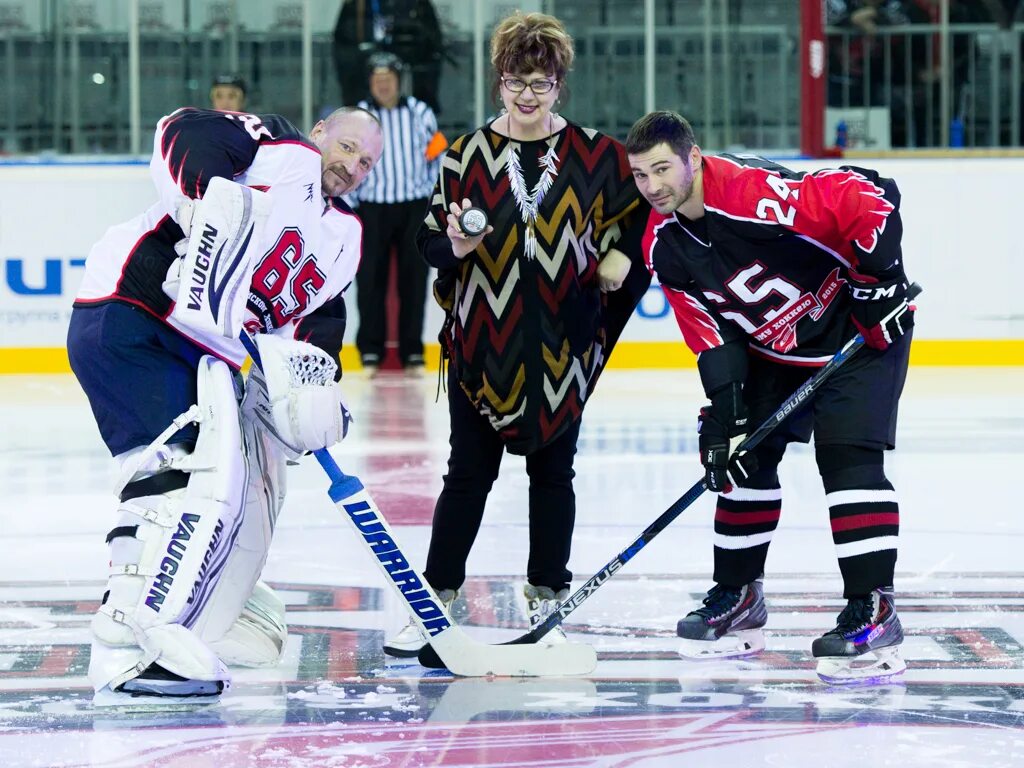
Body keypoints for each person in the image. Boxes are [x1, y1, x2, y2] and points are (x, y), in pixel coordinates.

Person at [67, 106, 383, 705]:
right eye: (346, 146)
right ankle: (127, 624)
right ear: (320, 134)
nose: (352, 165)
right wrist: (200, 214)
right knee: (166, 479)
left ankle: (205, 601)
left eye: (366, 161)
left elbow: (320, 317)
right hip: (134, 310)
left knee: (240, 490)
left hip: (206, 356)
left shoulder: (344, 239)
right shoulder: (283, 153)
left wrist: (316, 381)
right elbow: (182, 130)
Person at [382, 11, 650, 658]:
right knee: (467, 476)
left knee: (553, 475)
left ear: (559, 85)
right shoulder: (463, 158)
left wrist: (622, 254)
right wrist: (452, 243)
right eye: (515, 82)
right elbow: (427, 242)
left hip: (563, 348)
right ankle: (434, 601)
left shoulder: (596, 155)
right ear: (498, 82)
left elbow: (641, 213)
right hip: (481, 347)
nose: (527, 96)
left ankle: (547, 600)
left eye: (541, 82)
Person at [622, 111, 914, 685]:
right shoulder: (664, 244)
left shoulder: (752, 195)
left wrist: (882, 280)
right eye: (639, 175)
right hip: (776, 353)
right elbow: (709, 334)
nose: (652, 185)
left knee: (847, 459)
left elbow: (872, 194)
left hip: (857, 332)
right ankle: (738, 598)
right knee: (741, 461)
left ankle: (874, 609)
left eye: (662, 168)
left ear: (693, 158)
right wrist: (724, 415)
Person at [353, 52, 447, 374]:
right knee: (369, 281)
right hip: (371, 206)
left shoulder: (420, 112)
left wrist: (434, 199)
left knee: (414, 280)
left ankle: (413, 352)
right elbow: (348, 159)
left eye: (388, 79)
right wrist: (351, 203)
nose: (383, 85)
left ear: (398, 81)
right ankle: (369, 350)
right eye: (377, 80)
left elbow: (438, 154)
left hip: (413, 206)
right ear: (370, 83)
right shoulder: (360, 115)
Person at [332, 0, 445, 112]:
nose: (384, 84)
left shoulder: (417, 4)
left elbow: (431, 49)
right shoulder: (356, 5)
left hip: (408, 89)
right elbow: (343, 49)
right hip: (364, 92)